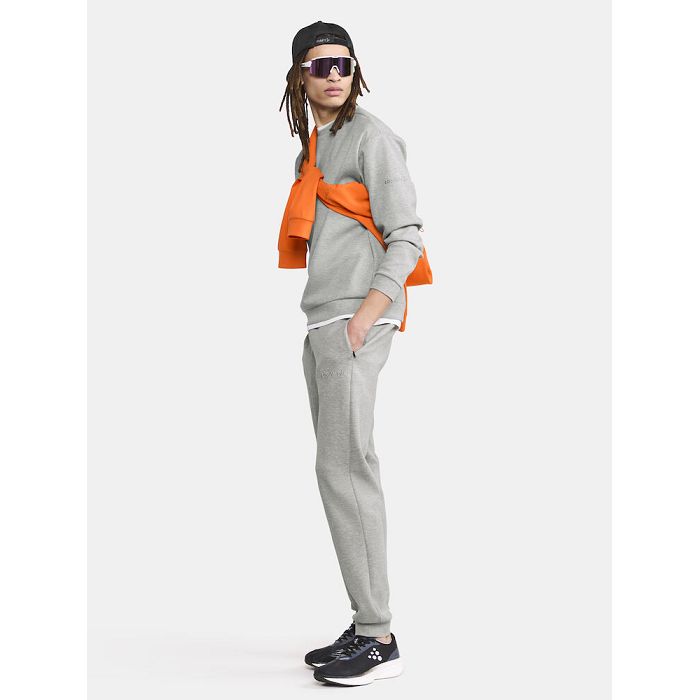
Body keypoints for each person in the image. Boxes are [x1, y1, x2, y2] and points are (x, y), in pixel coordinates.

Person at [277, 20, 430, 687]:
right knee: (336, 468)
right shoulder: (316, 146)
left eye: (343, 63)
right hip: (323, 320)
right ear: (300, 77)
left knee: (346, 469)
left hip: (352, 320)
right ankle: (365, 621)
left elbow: (408, 235)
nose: (334, 74)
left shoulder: (372, 137)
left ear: (356, 70)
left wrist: (365, 318)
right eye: (320, 66)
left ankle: (379, 638)